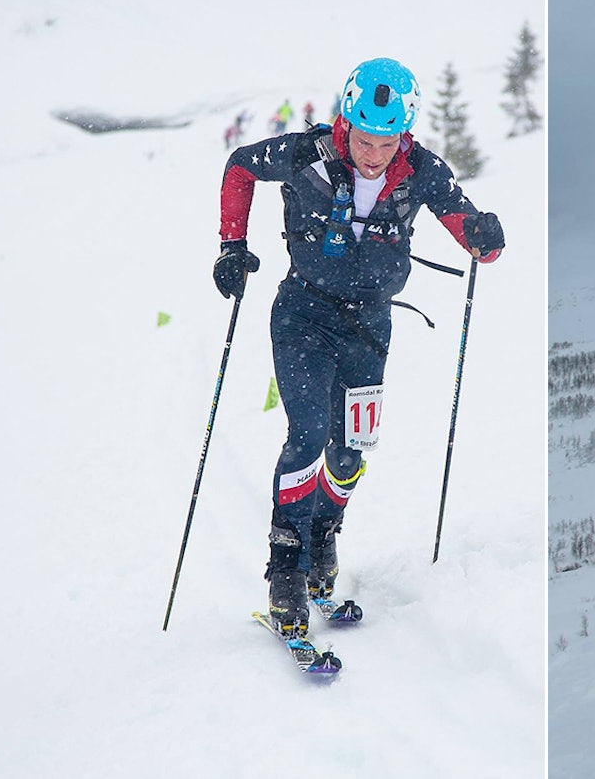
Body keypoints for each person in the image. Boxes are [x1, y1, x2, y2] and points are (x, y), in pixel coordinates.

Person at [213, 57, 505, 637]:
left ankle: (322, 544)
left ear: (405, 132)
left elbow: (473, 236)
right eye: (366, 139)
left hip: (370, 325)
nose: (374, 153)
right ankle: (286, 575)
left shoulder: (422, 171)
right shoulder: (305, 155)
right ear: (347, 121)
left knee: (349, 451)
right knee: (307, 433)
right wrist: (231, 245)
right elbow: (239, 168)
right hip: (303, 314)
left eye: (387, 141)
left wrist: (485, 238)